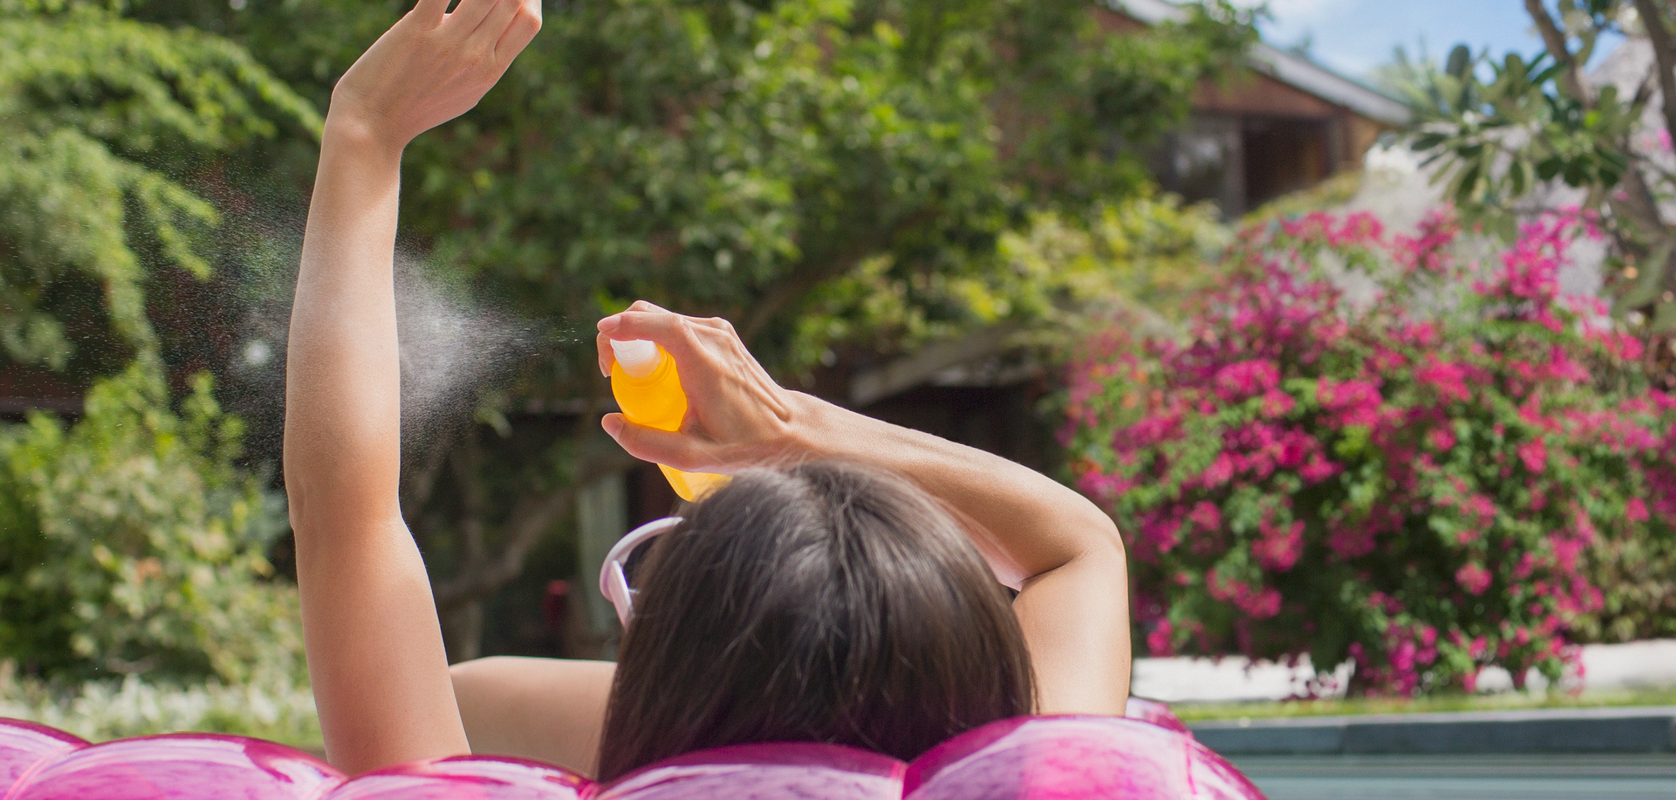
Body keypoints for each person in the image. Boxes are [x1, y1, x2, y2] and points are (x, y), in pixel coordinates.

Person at [284, 0, 1129, 780]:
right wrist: (790, 429)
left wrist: (365, 130)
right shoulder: (1037, 784)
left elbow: (346, 516)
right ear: (984, 698)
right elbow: (1076, 545)